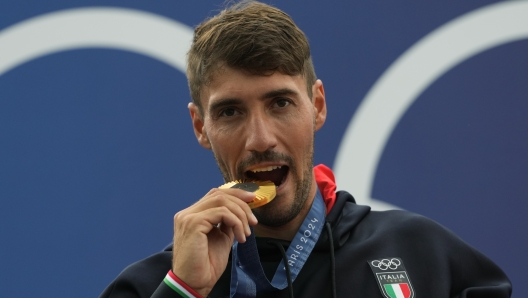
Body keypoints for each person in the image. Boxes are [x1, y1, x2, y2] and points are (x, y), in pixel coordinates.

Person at [100, 1, 512, 297]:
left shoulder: (422, 254)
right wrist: (184, 291)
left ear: (317, 106)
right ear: (200, 127)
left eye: (280, 103)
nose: (260, 139)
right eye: (230, 112)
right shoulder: (154, 285)